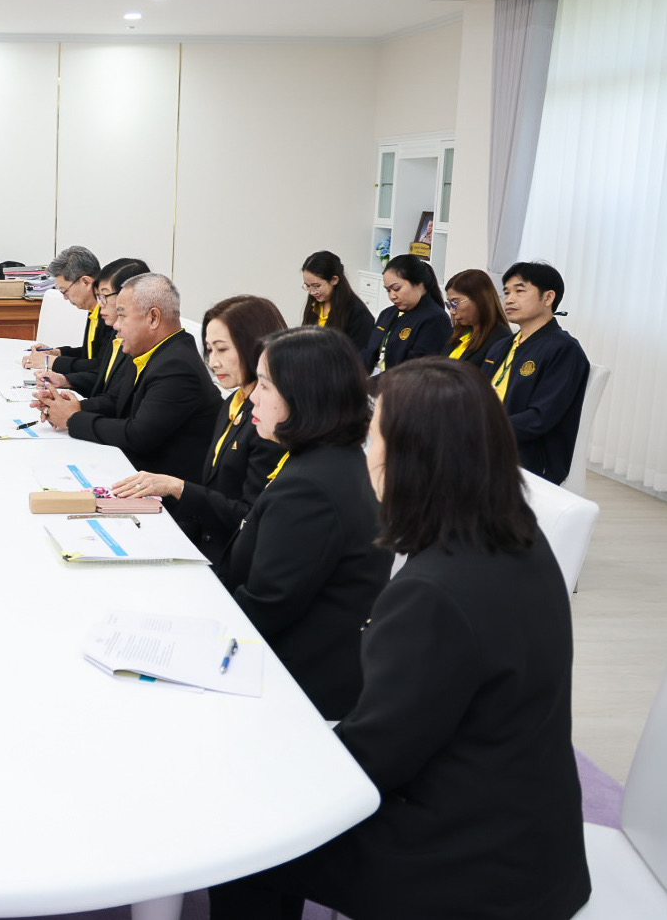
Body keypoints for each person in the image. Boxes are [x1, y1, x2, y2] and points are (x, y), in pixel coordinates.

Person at [211, 358, 591, 920]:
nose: (367, 455)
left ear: (411, 458)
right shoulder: (519, 539)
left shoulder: (433, 593)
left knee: (245, 835)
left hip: (466, 861)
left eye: (375, 438)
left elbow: (373, 761)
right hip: (531, 834)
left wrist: (261, 773)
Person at [217, 326, 392, 720]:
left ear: (303, 396)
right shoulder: (329, 459)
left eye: (265, 385)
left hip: (295, 691)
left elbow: (265, 608)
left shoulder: (310, 489)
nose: (253, 396)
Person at [112, 295, 287, 566]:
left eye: (222, 350)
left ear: (256, 346)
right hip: (203, 535)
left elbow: (249, 518)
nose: (213, 362)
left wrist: (177, 488)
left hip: (229, 558)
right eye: (209, 350)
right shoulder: (234, 402)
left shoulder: (268, 420)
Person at [35, 273, 220, 478]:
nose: (116, 325)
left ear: (153, 318)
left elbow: (138, 436)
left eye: (122, 315)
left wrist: (72, 419)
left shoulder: (177, 366)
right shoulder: (148, 350)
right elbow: (116, 401)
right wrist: (69, 406)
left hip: (161, 483)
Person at [484, 261, 591, 484]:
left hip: (527, 459)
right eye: (506, 292)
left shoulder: (564, 350)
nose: (509, 299)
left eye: (520, 291)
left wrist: (483, 429)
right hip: (489, 443)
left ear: (548, 297)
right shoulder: (503, 345)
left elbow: (540, 418)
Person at [34, 258, 150, 397]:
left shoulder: (121, 330)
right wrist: (58, 355)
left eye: (64, 291)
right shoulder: (105, 317)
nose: (100, 303)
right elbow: (100, 367)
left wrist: (55, 363)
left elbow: (100, 368)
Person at [22, 246, 110, 375]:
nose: (65, 298)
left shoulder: (111, 316)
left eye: (64, 291)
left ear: (86, 282)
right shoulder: (93, 310)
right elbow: (89, 354)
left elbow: (102, 366)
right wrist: (57, 353)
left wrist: (50, 362)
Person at [361, 253, 449, 376]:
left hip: (400, 385)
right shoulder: (387, 313)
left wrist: (370, 384)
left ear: (419, 284)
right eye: (388, 290)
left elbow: (415, 370)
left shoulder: (435, 319)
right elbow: (368, 353)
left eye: (396, 288)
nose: (392, 296)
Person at [299, 250, 374, 351]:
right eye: (307, 286)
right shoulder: (314, 303)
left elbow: (357, 355)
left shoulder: (358, 313)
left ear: (334, 280)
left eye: (316, 286)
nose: (312, 292)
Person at [444, 268, 510, 367]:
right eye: (450, 304)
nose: (452, 311)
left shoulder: (500, 339)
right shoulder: (457, 332)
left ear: (479, 299)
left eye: (455, 302)